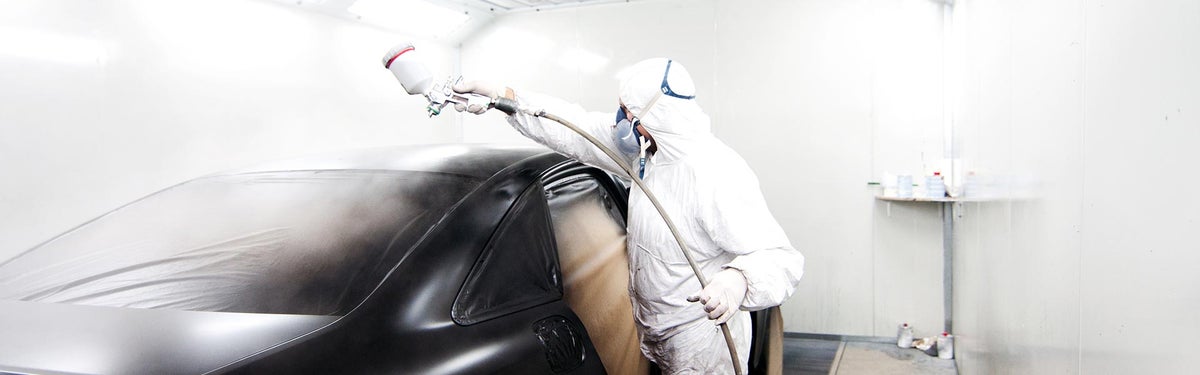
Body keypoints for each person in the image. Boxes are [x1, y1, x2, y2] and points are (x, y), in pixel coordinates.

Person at [453, 58, 804, 374]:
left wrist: (738, 280)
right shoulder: (647, 153)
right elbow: (573, 128)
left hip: (703, 344)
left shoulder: (715, 173)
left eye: (625, 111)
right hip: (658, 331)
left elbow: (781, 260)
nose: (619, 120)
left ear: (653, 116)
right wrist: (504, 97)